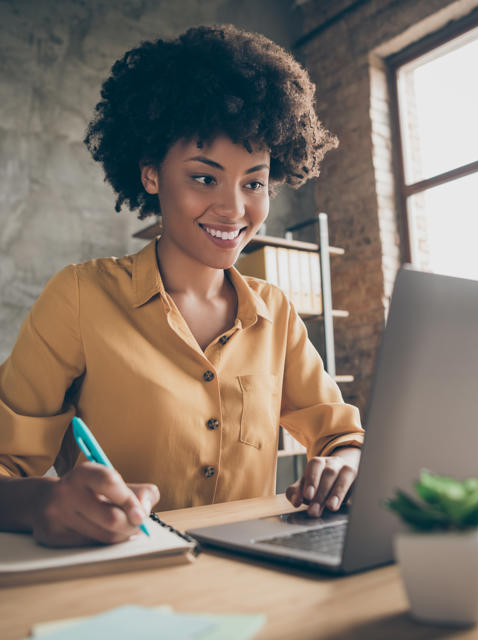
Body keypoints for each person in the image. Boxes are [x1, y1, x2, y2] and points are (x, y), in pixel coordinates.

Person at [0, 25, 364, 547]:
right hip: (125, 583)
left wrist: (343, 464)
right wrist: (46, 501)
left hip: (255, 580)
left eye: (254, 182)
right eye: (203, 177)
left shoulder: (274, 311)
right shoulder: (80, 298)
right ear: (151, 174)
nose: (234, 209)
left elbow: (340, 435)